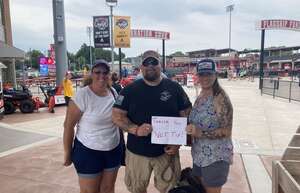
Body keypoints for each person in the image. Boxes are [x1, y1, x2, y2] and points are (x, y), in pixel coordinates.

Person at [112, 50, 192, 193]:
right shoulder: (130, 90)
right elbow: (117, 116)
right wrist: (135, 129)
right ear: (141, 67)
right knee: (136, 189)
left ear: (160, 65)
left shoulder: (174, 88)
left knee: (170, 189)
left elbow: (186, 114)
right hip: (137, 153)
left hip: (167, 153)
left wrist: (178, 141)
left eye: (154, 62)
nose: (150, 66)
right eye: (146, 63)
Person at [63, 59, 122, 193]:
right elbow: (68, 126)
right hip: (88, 151)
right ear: (91, 74)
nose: (101, 76)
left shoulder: (113, 92)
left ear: (109, 74)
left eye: (105, 72)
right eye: (97, 72)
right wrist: (67, 153)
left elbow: (120, 117)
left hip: (113, 150)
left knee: (108, 189)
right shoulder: (82, 95)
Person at [186, 59, 233, 193]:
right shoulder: (202, 94)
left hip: (215, 157)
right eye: (202, 74)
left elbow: (226, 131)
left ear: (215, 75)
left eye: (209, 74)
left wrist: (201, 133)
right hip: (200, 154)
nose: (205, 78)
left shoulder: (220, 98)